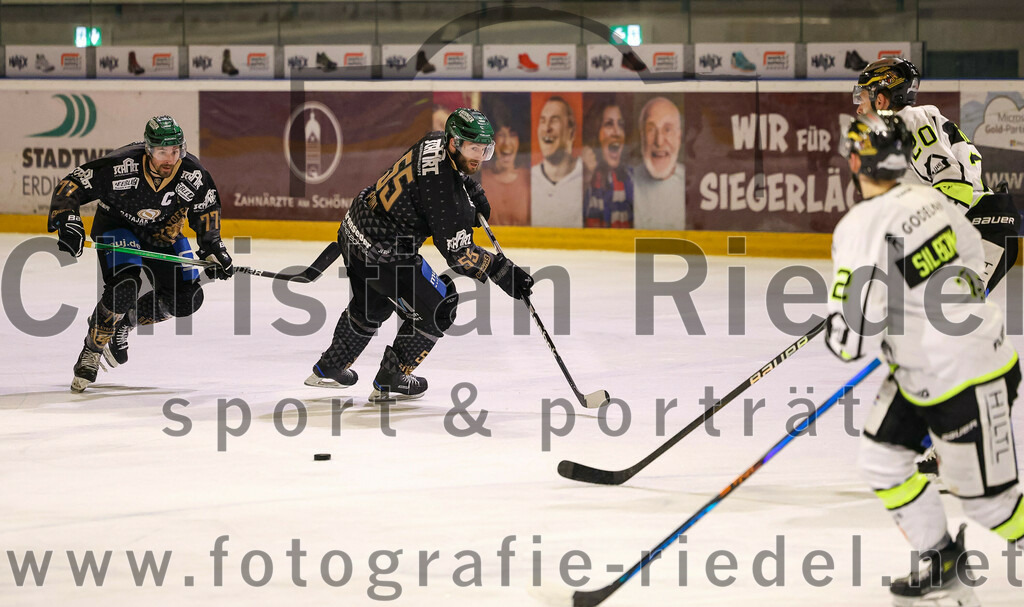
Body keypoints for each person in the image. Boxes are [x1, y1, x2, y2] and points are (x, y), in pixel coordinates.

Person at [826, 111, 1023, 606]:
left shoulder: (857, 227)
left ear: (855, 162)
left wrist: (846, 319)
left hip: (967, 375)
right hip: (930, 369)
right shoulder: (932, 200)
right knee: (881, 461)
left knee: (991, 505)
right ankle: (943, 565)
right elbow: (974, 251)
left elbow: (849, 343)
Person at [306, 108, 534, 401]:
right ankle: (393, 375)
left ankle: (331, 368)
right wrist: (502, 270)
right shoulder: (443, 190)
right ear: (454, 143)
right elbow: (458, 254)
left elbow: (439, 179)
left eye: (483, 149)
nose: (478, 156)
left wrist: (470, 188)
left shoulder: (434, 139)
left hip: (354, 230)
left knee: (372, 302)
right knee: (440, 305)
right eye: (472, 148)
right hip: (384, 252)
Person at [47, 115, 233, 392]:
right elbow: (71, 185)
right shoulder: (122, 164)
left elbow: (205, 210)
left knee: (187, 299)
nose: (169, 159)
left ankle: (124, 322)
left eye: (175, 151)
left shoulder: (192, 174)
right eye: (161, 152)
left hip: (162, 234)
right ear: (148, 149)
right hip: (118, 227)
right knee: (125, 287)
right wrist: (68, 221)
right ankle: (93, 350)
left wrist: (213, 248)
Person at [854, 57, 1019, 290]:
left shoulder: (909, 122)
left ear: (880, 100)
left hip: (983, 227)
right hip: (975, 226)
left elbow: (955, 186)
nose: (858, 108)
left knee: (943, 314)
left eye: (861, 98)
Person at [633, 96, 685, 230]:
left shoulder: (695, 184)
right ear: (642, 136)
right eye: (651, 129)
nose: (659, 141)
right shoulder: (626, 183)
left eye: (667, 129)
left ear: (678, 137)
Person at [531, 96, 583, 227]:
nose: (547, 128)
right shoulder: (529, 178)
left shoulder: (588, 176)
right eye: (543, 121)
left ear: (571, 130)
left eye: (554, 120)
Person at [583, 99, 633, 228]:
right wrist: (586, 177)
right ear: (595, 133)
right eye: (609, 124)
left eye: (621, 125)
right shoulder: (583, 176)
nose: (617, 132)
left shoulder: (632, 179)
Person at [480, 100, 530, 225]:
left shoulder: (530, 180)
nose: (507, 143)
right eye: (501, 135)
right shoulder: (478, 180)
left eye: (512, 135)